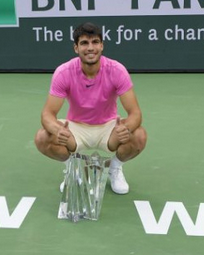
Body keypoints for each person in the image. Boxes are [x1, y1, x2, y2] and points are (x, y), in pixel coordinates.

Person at [34, 22, 147, 195]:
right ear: (76, 48)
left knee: (139, 136)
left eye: (95, 42)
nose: (90, 48)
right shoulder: (64, 72)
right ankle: (74, 168)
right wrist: (58, 130)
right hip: (76, 128)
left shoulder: (117, 70)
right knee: (42, 137)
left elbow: (135, 113)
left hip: (109, 128)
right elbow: (47, 114)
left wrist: (126, 128)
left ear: (102, 45)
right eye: (84, 43)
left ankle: (114, 168)